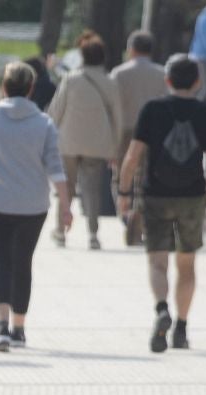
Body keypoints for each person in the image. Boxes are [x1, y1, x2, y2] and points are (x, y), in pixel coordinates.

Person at [0, 62, 73, 353]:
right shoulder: (43, 123)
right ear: (31, 89)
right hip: (32, 206)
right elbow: (56, 168)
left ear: (4, 87)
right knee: (23, 263)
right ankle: (19, 328)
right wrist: (66, 206)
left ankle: (0, 328)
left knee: (1, 263)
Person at [118, 54, 206, 353]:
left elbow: (132, 156)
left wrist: (124, 193)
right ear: (198, 81)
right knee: (187, 263)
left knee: (157, 260)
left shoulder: (152, 110)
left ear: (167, 80)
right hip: (192, 197)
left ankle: (162, 309)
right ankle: (181, 328)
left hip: (156, 194)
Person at [47, 31, 121, 251]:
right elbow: (118, 117)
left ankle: (61, 231)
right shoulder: (109, 82)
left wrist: (49, 134)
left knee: (66, 188)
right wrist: (115, 147)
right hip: (97, 144)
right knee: (92, 190)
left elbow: (56, 110)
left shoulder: (71, 79)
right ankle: (93, 233)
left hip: (68, 142)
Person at [111, 32, 167, 245]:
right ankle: (139, 215)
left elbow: (112, 106)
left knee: (122, 173)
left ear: (131, 49)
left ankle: (125, 213)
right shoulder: (162, 73)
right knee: (145, 177)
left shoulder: (118, 73)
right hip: (154, 131)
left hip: (125, 129)